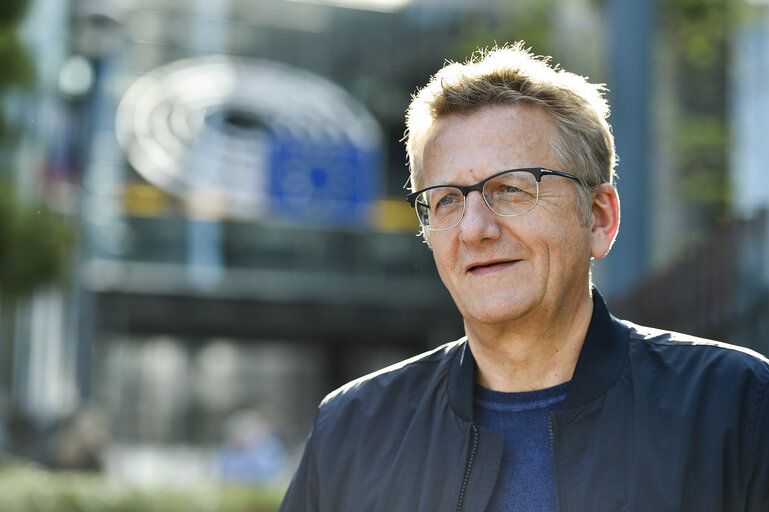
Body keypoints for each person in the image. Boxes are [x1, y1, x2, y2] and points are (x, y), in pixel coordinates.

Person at [279, 43, 769, 511]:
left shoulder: (736, 406)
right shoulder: (354, 428)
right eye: (447, 199)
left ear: (598, 217)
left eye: (512, 189)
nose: (474, 229)